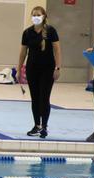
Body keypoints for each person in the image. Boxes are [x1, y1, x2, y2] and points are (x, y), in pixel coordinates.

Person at [17, 6, 62, 139]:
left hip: (47, 69)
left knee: (44, 97)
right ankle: (36, 125)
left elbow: (57, 50)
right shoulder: (27, 33)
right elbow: (23, 52)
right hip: (32, 68)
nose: (36, 17)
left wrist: (58, 68)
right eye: (34, 15)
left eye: (38, 15)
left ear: (43, 16)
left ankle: (44, 126)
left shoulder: (51, 31)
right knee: (35, 98)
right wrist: (19, 69)